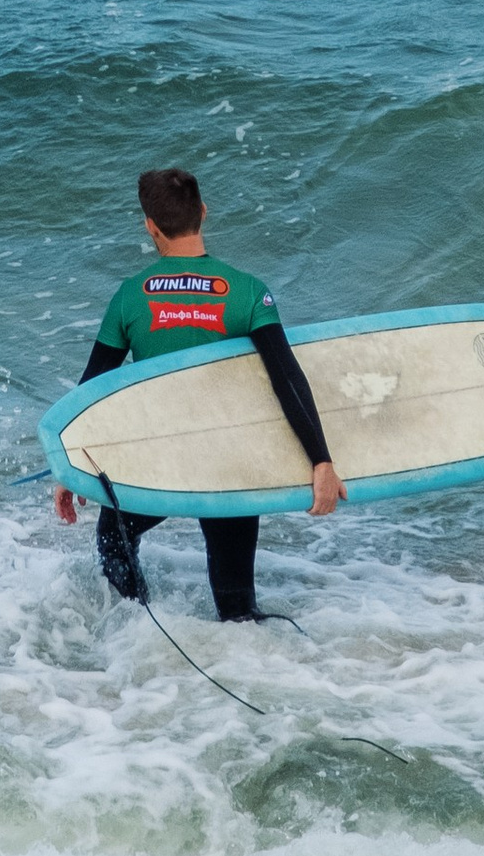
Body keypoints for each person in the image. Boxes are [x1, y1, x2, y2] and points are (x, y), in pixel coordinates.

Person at [53, 166, 343, 623]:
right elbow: (288, 380)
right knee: (238, 609)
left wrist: (71, 467)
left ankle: (139, 633)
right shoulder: (248, 292)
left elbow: (93, 388)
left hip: (158, 466)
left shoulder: (130, 297)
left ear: (150, 225)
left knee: (114, 539)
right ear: (203, 213)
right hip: (228, 467)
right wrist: (321, 462)